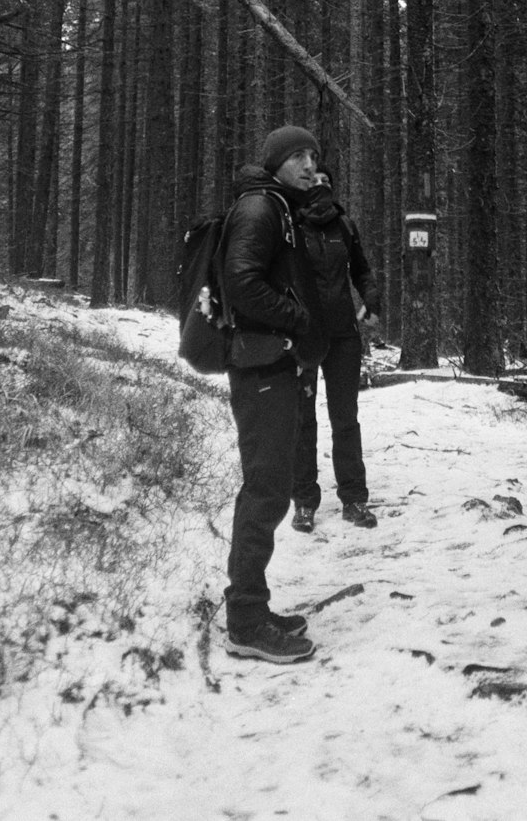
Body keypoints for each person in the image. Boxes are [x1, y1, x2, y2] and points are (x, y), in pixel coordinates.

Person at [220, 125, 328, 664]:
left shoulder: (280, 206)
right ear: (276, 162)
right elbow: (241, 281)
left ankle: (251, 605)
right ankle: (245, 620)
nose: (311, 165)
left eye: (314, 156)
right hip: (260, 364)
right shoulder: (261, 209)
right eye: (299, 156)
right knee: (266, 490)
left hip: (274, 363)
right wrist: (298, 320)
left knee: (273, 485)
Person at [291, 167, 382, 533]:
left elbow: (362, 270)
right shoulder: (291, 227)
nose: (320, 187)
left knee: (346, 418)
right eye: (313, 182)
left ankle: (354, 500)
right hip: (304, 336)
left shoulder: (344, 226)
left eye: (326, 182)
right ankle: (304, 503)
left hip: (344, 335)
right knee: (303, 419)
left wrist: (371, 296)